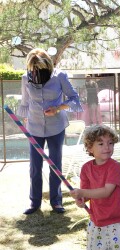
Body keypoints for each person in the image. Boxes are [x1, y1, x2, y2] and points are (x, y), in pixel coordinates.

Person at [17, 48, 83, 215]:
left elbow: (74, 100)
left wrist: (58, 108)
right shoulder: (26, 78)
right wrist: (23, 117)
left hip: (56, 128)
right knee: (35, 167)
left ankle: (56, 201)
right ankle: (34, 203)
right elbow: (25, 104)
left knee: (55, 165)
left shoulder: (59, 76)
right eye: (33, 69)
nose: (36, 72)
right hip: (34, 128)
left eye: (39, 68)